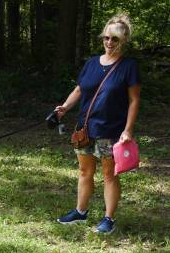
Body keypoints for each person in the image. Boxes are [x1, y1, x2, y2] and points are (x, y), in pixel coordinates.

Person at [54, 13, 141, 234]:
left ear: (124, 40)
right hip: (85, 128)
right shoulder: (92, 63)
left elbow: (134, 100)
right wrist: (64, 108)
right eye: (106, 38)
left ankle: (108, 219)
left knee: (109, 175)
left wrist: (128, 130)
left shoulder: (128, 66)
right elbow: (80, 89)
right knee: (84, 171)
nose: (109, 43)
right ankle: (80, 212)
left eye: (115, 39)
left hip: (111, 131)